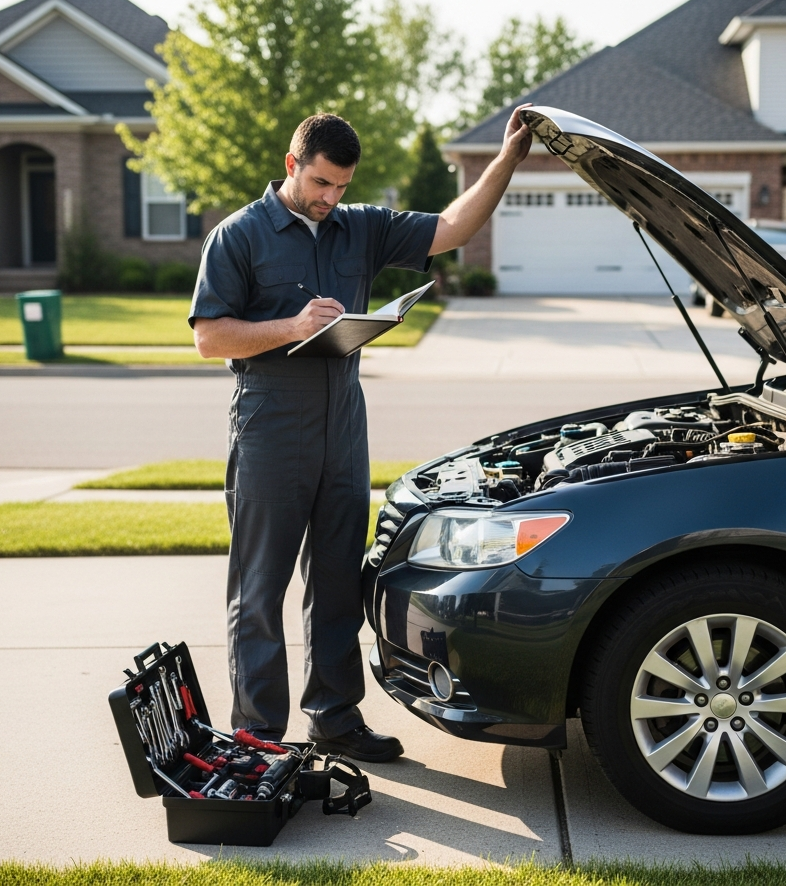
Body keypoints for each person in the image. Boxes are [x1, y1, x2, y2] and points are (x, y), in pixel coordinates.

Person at [189, 105, 532, 761]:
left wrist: (508, 157)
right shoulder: (239, 236)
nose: (331, 198)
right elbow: (209, 337)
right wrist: (291, 327)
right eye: (321, 184)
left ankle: (335, 718)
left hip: (344, 419)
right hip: (270, 422)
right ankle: (258, 734)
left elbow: (455, 226)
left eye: (342, 186)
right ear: (292, 166)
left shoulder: (362, 228)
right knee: (260, 588)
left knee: (340, 579)